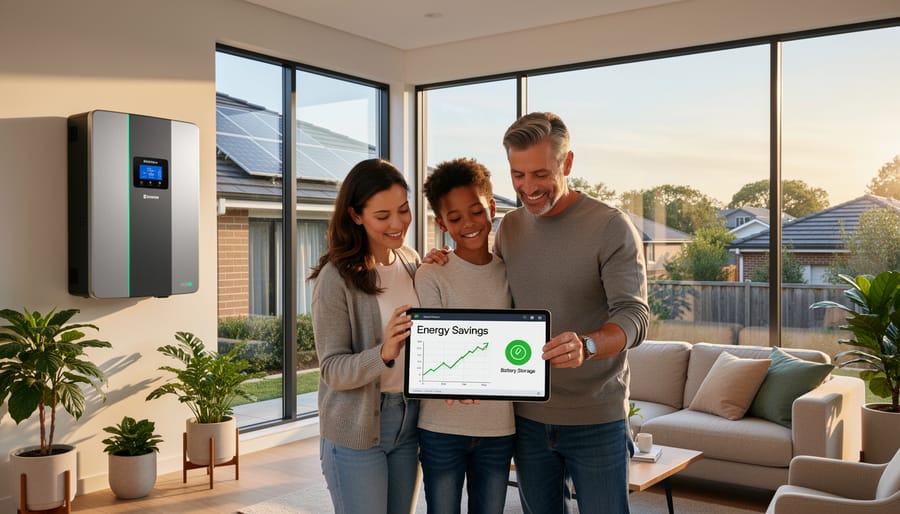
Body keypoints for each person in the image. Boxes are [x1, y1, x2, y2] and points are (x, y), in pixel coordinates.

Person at [431, 112, 647, 513]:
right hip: (527, 416)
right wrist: (448, 257)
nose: (528, 188)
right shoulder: (509, 228)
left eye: (540, 174)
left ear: (567, 164)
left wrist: (589, 344)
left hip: (595, 416)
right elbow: (488, 289)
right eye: (518, 175)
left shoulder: (610, 226)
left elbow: (634, 315)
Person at [308, 158, 421, 514]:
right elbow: (332, 370)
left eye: (403, 210)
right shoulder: (335, 277)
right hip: (357, 429)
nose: (397, 223)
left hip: (410, 420)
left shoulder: (411, 261)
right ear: (356, 216)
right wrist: (383, 352)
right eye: (382, 215)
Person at [416, 158, 515, 514]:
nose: (468, 224)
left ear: (491, 208)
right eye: (455, 218)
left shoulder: (511, 272)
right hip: (441, 426)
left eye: (476, 212)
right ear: (442, 224)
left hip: (498, 427)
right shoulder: (431, 274)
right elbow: (431, 349)